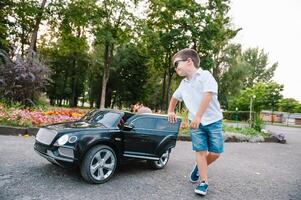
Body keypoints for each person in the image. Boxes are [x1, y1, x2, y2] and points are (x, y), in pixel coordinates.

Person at [167, 48, 223, 196]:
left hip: (213, 120)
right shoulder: (183, 83)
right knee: (200, 151)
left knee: (216, 152)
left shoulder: (205, 75)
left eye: (177, 64)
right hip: (195, 122)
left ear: (189, 61)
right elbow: (175, 97)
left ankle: (199, 167)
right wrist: (171, 110)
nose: (175, 68)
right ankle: (203, 182)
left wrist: (199, 116)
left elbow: (208, 95)